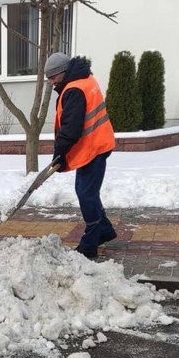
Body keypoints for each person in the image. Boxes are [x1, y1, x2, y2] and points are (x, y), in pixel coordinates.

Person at [44, 52, 117, 259]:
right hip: (97, 144)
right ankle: (105, 230)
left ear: (62, 73)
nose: (51, 83)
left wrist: (59, 153)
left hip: (94, 147)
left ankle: (90, 242)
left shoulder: (74, 90)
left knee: (86, 193)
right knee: (87, 191)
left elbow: (71, 129)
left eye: (52, 78)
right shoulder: (85, 79)